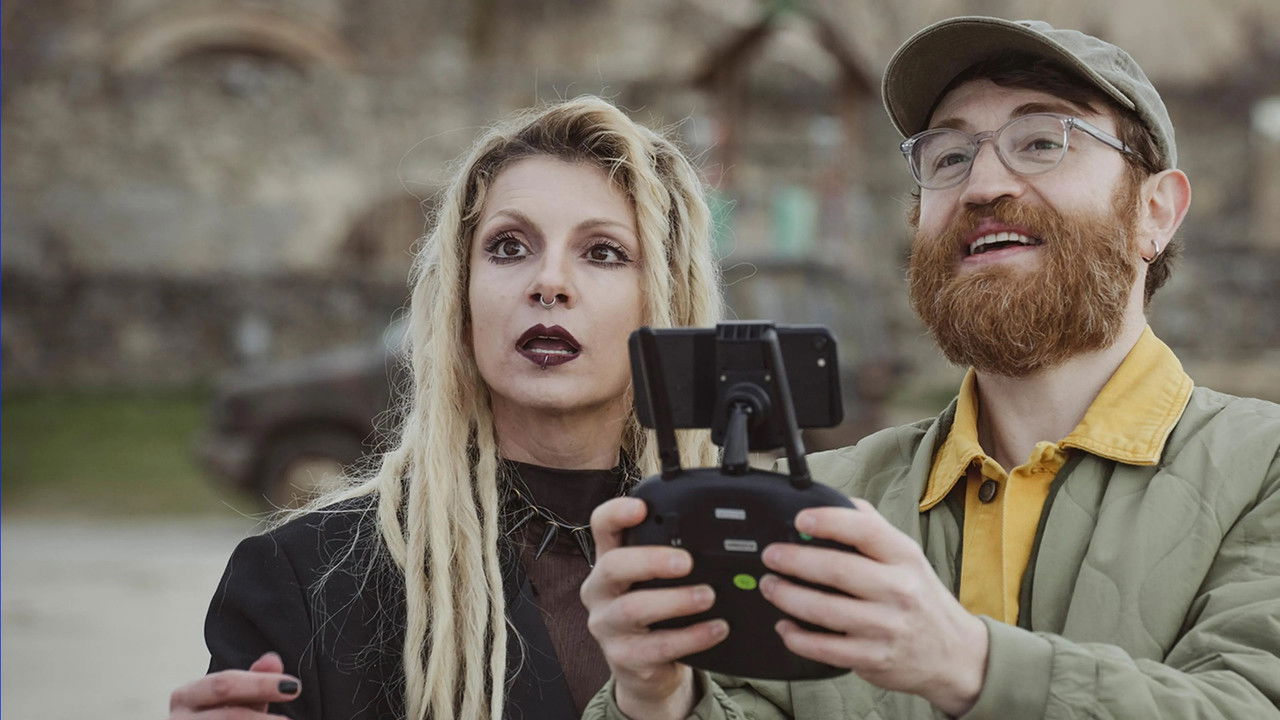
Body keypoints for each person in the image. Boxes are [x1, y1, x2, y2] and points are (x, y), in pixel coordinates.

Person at [581, 16, 1280, 720]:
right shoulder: (821, 503)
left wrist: (966, 662)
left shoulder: (1263, 471)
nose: (982, 184)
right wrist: (657, 698)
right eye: (949, 157)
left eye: (1042, 142)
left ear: (1156, 212)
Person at [165, 95, 723, 720]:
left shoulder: (738, 564)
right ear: (460, 294)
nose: (549, 282)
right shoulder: (304, 576)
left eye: (603, 252)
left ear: (666, 302)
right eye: (509, 247)